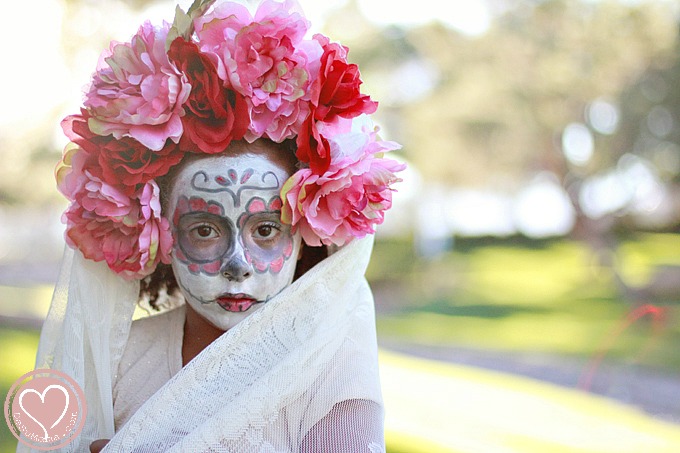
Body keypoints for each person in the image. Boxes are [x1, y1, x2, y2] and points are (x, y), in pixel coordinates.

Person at [22, 0, 404, 451]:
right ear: (160, 234)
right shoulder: (117, 359)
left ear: (304, 237)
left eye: (265, 230)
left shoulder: (330, 368)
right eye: (204, 230)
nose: (237, 265)